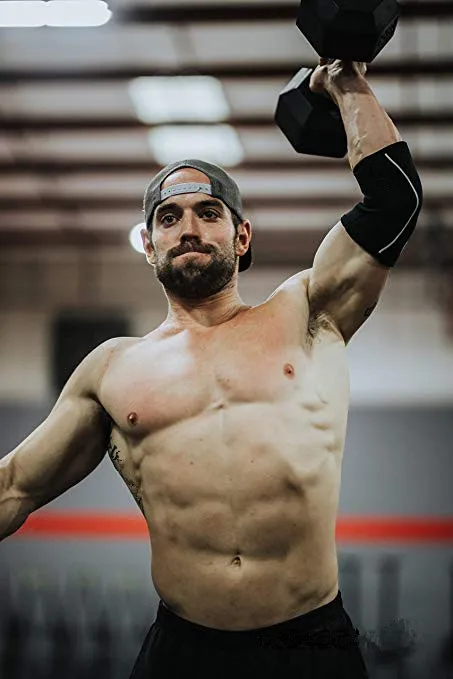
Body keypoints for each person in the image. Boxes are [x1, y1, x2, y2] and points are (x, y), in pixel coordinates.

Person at [0, 59, 422, 679]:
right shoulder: (112, 368)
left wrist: (346, 83)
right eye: (168, 219)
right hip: (182, 651)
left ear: (242, 236)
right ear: (149, 246)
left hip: (309, 644)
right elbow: (14, 487)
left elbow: (394, 200)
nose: (188, 229)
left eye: (208, 212)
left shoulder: (309, 310)